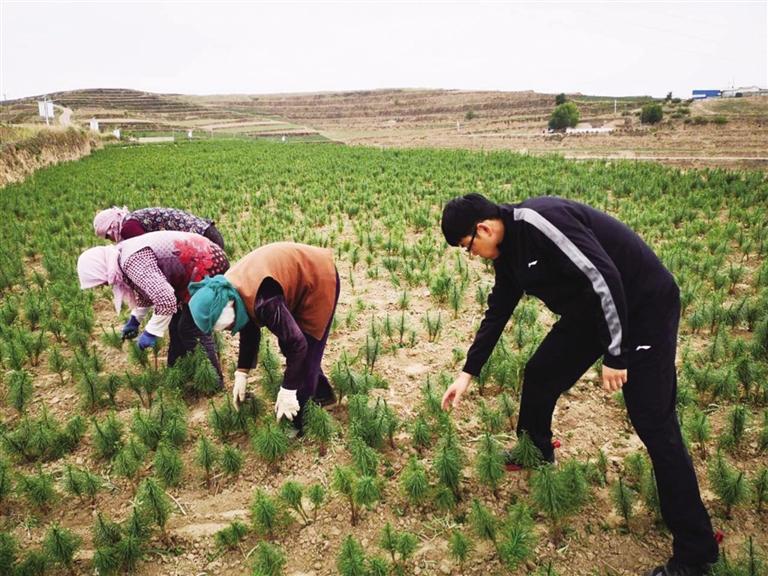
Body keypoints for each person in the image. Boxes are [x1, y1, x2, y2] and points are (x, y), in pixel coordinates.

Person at [439, 194, 718, 576]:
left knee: (653, 420)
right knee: (541, 373)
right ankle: (535, 450)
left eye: (468, 247)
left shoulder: (539, 222)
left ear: (483, 228)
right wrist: (467, 373)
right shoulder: (508, 254)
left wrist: (616, 354)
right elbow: (498, 309)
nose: (472, 255)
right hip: (591, 311)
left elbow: (605, 278)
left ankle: (695, 553)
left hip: (642, 305)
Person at [187, 241, 339, 430]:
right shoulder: (227, 292)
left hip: (317, 278)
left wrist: (288, 390)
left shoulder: (264, 301)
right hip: (293, 277)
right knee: (290, 346)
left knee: (306, 353)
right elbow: (249, 329)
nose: (230, 330)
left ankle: (296, 423)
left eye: (229, 326)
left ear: (230, 307)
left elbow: (298, 344)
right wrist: (242, 372)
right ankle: (323, 394)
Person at [77, 230, 229, 384]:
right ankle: (179, 372)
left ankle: (213, 382)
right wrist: (135, 319)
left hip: (207, 263)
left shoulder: (131, 261)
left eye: (99, 281)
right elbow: (147, 290)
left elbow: (165, 299)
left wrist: (151, 332)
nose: (103, 285)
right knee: (176, 326)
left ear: (100, 269)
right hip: (193, 267)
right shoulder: (121, 256)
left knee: (190, 328)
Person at [93, 206, 225, 249]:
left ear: (112, 226)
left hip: (202, 240)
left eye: (107, 236)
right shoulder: (132, 219)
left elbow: (148, 252)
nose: (110, 240)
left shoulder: (128, 228)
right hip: (207, 231)